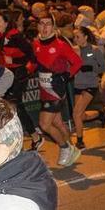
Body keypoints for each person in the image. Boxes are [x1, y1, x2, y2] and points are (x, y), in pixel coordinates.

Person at [33, 10, 82, 167]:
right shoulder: (36, 44)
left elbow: (77, 62)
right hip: (44, 89)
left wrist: (65, 76)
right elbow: (36, 63)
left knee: (44, 124)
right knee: (59, 123)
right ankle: (72, 148)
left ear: (53, 26)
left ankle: (65, 147)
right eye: (41, 24)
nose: (45, 27)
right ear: (38, 26)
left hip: (56, 89)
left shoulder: (60, 45)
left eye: (48, 24)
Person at [0, 9, 43, 151]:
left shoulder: (16, 37)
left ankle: (34, 136)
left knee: (15, 106)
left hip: (18, 75)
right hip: (5, 75)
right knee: (6, 107)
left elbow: (32, 57)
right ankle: (21, 139)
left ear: (7, 22)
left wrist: (14, 60)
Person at [71, 26, 105, 149]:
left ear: (85, 37)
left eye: (78, 37)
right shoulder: (73, 50)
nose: (75, 39)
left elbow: (103, 68)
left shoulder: (95, 50)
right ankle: (100, 114)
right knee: (81, 116)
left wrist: (91, 68)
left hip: (90, 85)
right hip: (78, 84)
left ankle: (80, 141)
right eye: (74, 37)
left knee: (76, 113)